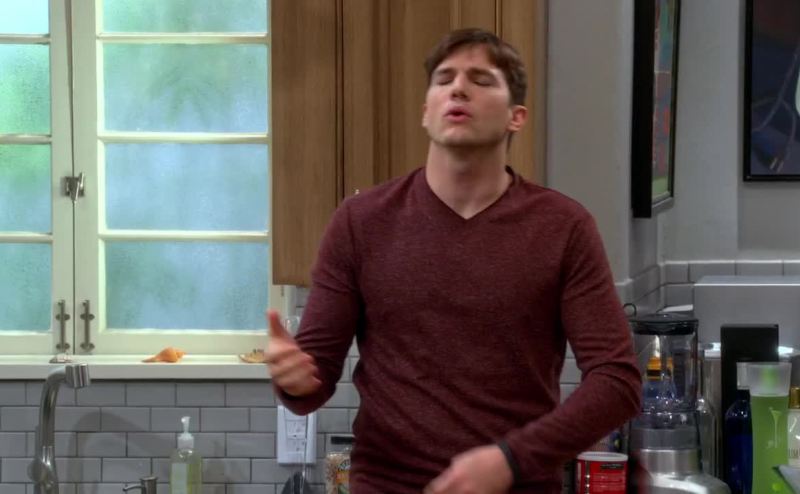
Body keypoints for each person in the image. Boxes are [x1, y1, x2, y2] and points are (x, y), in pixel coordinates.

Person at [265, 28, 642, 494]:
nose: (458, 88)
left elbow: (617, 382)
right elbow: (313, 381)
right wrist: (295, 381)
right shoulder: (360, 222)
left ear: (516, 117)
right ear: (426, 111)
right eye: (444, 80)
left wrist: (511, 460)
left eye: (481, 80)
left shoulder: (563, 227)